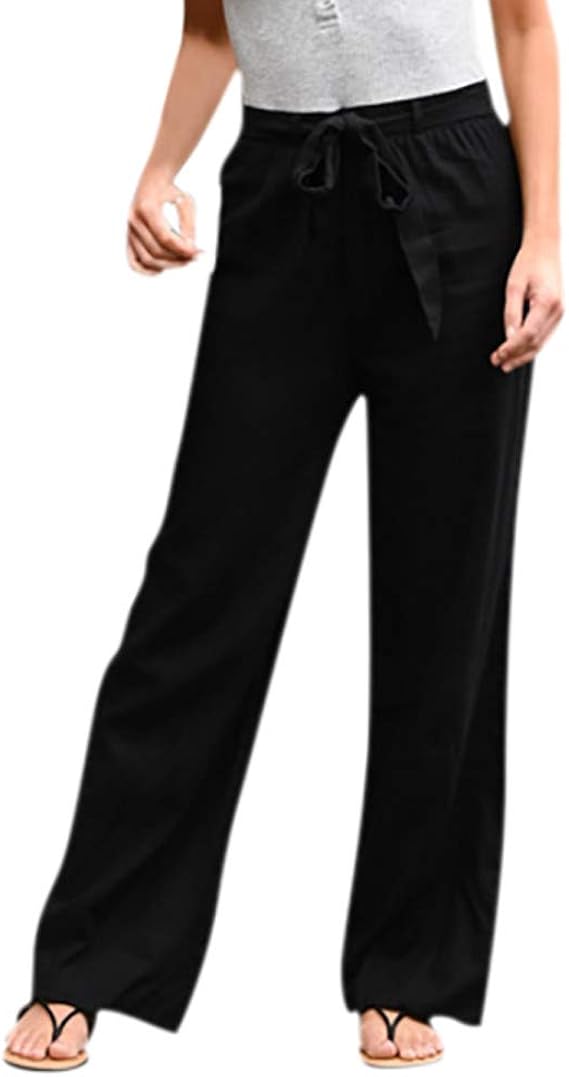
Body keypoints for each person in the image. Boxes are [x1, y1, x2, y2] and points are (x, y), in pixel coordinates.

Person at [4, 0, 563, 1070]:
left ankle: (407, 967)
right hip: (279, 195)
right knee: (198, 595)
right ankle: (91, 958)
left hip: (454, 194)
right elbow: (211, 28)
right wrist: (158, 167)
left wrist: (543, 234)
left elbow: (525, 26)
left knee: (442, 602)